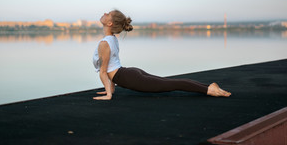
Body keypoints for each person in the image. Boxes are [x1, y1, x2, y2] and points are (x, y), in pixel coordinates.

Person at [92, 10, 231, 100]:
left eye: (107, 13)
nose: (104, 12)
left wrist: (109, 94)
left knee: (171, 84)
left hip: (128, 76)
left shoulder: (105, 43)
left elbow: (104, 72)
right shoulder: (111, 40)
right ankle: (208, 87)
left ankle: (208, 89)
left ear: (110, 23)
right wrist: (110, 88)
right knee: (170, 82)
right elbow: (112, 68)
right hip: (128, 73)